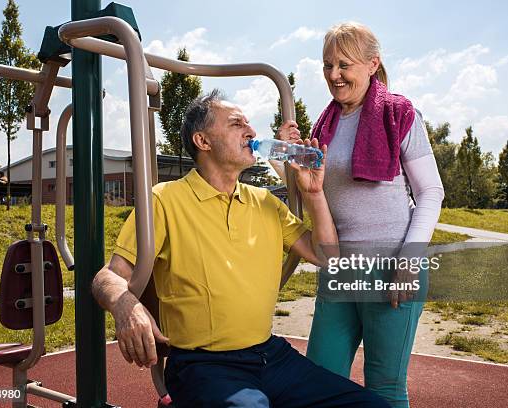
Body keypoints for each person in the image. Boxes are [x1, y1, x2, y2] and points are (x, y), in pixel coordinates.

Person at [92, 90, 389, 408]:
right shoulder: (164, 199)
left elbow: (328, 257)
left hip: (270, 356)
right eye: (236, 124)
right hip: (203, 365)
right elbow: (107, 276)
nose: (251, 132)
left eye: (249, 124)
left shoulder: (265, 202)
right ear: (203, 141)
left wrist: (314, 193)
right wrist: (127, 306)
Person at [276, 22, 444, 408]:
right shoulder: (324, 123)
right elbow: (308, 188)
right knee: (320, 381)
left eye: (344, 65)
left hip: (392, 267)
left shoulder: (399, 113)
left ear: (372, 64)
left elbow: (431, 191)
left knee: (383, 387)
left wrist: (411, 258)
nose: (334, 76)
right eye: (327, 65)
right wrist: (288, 152)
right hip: (338, 268)